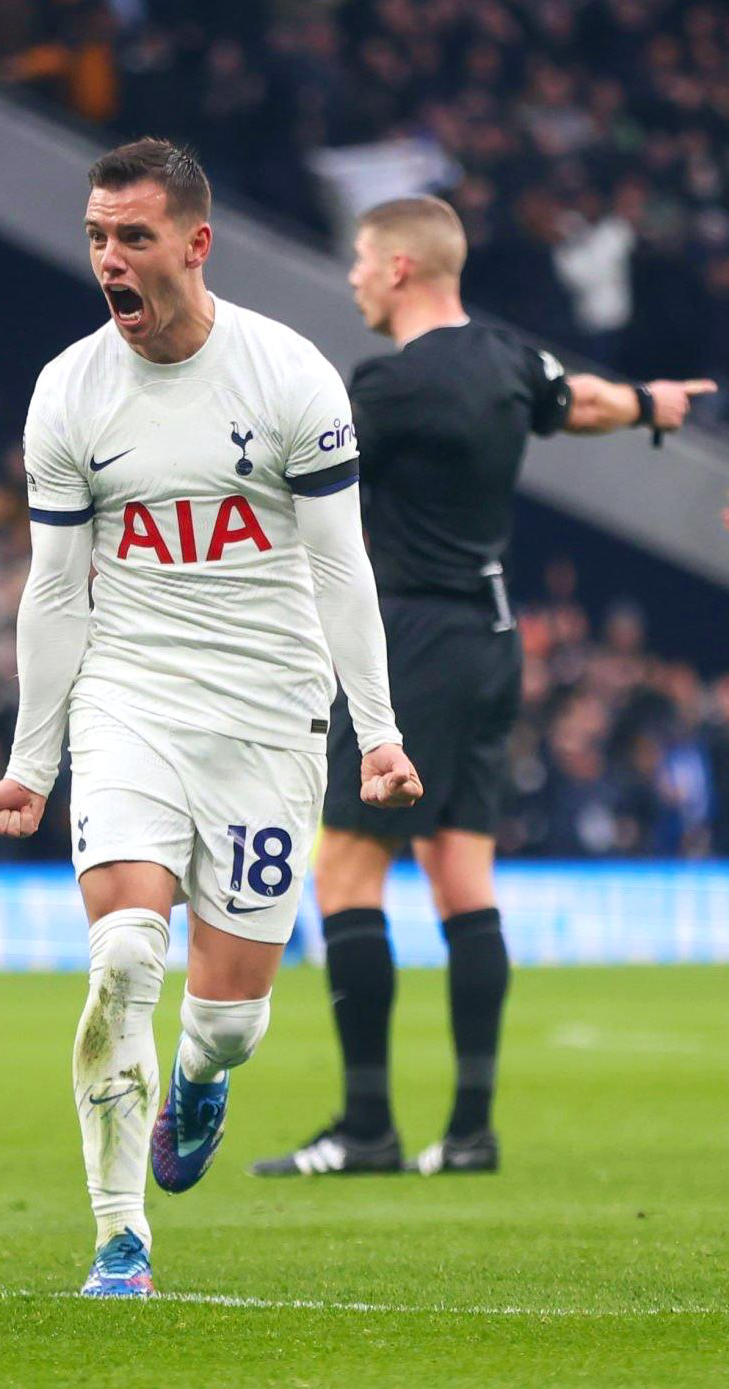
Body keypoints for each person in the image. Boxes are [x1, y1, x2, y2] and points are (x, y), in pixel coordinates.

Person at [0, 139, 422, 1299]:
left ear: (193, 244)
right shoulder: (68, 390)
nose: (106, 260)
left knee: (225, 1021)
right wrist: (32, 762)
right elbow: (57, 591)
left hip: (268, 719)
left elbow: (337, 569)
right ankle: (118, 1237)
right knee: (122, 954)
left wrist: (375, 731)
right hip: (131, 703)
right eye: (93, 238)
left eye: (130, 237)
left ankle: (201, 1082)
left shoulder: (286, 376)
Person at [250, 196, 717, 1179]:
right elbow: (578, 402)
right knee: (460, 877)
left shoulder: (385, 387)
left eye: (361, 261)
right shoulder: (511, 357)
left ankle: (366, 1128)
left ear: (401, 271)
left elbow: (289, 484)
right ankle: (467, 1129)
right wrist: (651, 404)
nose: (350, 277)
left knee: (343, 872)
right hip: (493, 639)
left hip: (411, 635)